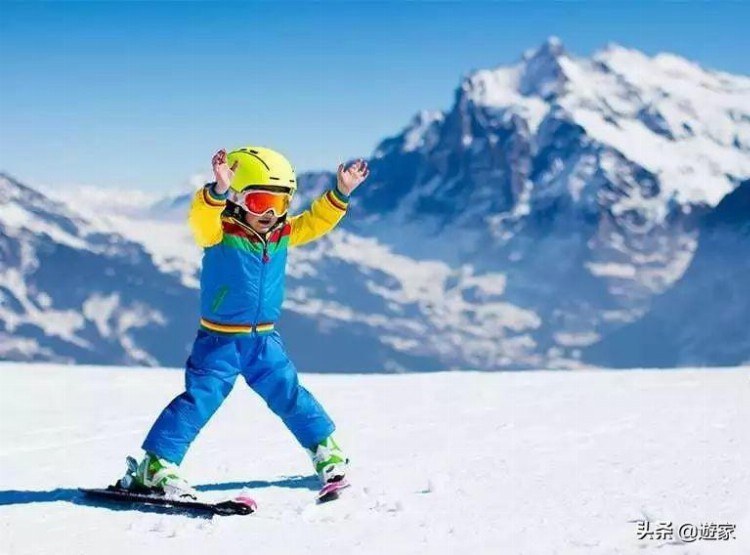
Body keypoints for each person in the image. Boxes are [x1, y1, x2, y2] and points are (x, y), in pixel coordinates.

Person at [128, 146, 369, 498]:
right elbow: (200, 218)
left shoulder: (281, 233)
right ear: (239, 199)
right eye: (260, 202)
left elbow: (315, 223)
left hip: (264, 341)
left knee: (289, 394)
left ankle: (324, 450)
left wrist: (340, 194)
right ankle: (156, 465)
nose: (271, 213)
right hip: (219, 342)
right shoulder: (220, 231)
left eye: (281, 203)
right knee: (200, 400)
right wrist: (217, 192)